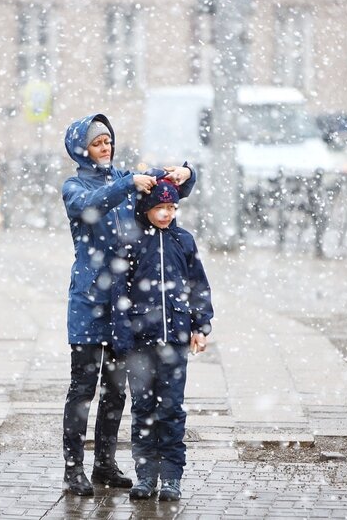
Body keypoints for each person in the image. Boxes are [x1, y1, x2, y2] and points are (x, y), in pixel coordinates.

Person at [61, 114, 195, 496]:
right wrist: (125, 184)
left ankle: (104, 463)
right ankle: (74, 469)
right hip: (89, 302)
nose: (106, 148)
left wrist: (186, 172)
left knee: (116, 389)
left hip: (125, 307)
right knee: (83, 388)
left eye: (108, 142)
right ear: (81, 149)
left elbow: (167, 190)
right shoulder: (74, 186)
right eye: (97, 143)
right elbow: (88, 207)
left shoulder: (127, 180)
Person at [111, 174, 214, 501]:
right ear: (146, 208)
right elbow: (119, 292)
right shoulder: (132, 241)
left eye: (171, 206)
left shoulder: (183, 241)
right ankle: (145, 475)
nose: (167, 213)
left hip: (175, 341)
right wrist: (122, 333)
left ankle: (171, 476)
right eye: (160, 207)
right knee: (143, 409)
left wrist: (201, 326)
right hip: (141, 343)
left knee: (170, 410)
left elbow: (198, 286)